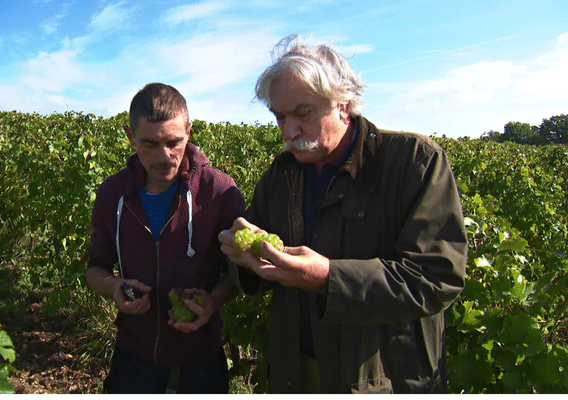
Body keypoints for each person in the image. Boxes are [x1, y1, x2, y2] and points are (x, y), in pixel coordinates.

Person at [218, 34, 467, 394]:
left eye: (302, 114)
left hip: (383, 379)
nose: (288, 131)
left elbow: (436, 277)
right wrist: (243, 255)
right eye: (280, 117)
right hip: (296, 374)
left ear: (343, 104)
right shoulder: (281, 176)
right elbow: (258, 274)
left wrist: (328, 277)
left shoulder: (414, 162)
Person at [85, 83, 246, 393]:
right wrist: (113, 286)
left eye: (174, 142)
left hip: (201, 358)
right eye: (149, 144)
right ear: (129, 136)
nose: (164, 156)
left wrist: (212, 302)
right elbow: (96, 267)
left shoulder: (219, 191)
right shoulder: (113, 193)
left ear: (189, 130)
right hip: (134, 354)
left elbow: (236, 273)